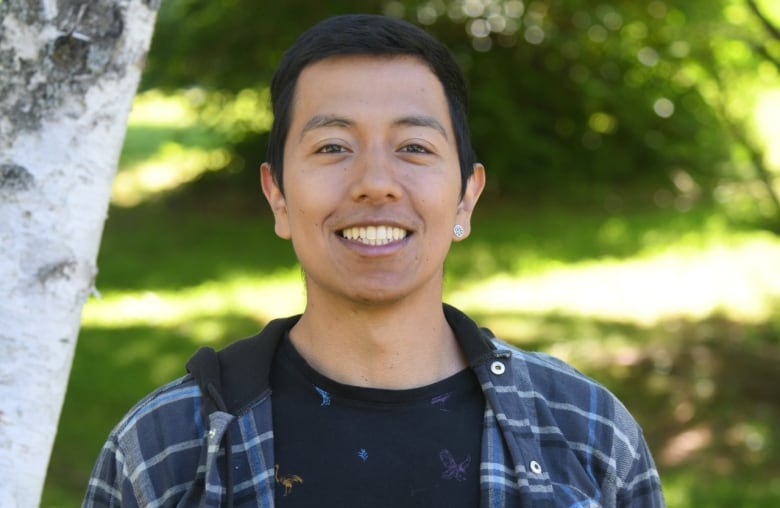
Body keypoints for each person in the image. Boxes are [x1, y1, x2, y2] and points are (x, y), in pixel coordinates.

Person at [84, 13, 664, 507]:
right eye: (333, 147)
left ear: (466, 196)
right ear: (278, 197)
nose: (376, 183)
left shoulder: (586, 431)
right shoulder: (163, 448)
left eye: (414, 147)